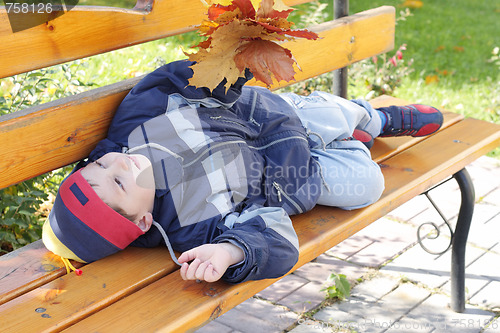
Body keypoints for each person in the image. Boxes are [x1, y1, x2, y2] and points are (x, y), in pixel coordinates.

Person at [42, 60, 443, 283]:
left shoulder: (136, 122)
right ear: (144, 220)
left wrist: (224, 66)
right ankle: (349, 142)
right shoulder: (193, 228)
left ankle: (376, 119)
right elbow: (274, 236)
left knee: (332, 113)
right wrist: (231, 250)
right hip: (295, 173)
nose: (116, 161)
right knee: (366, 186)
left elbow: (172, 81)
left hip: (273, 115)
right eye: (117, 181)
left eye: (98, 164)